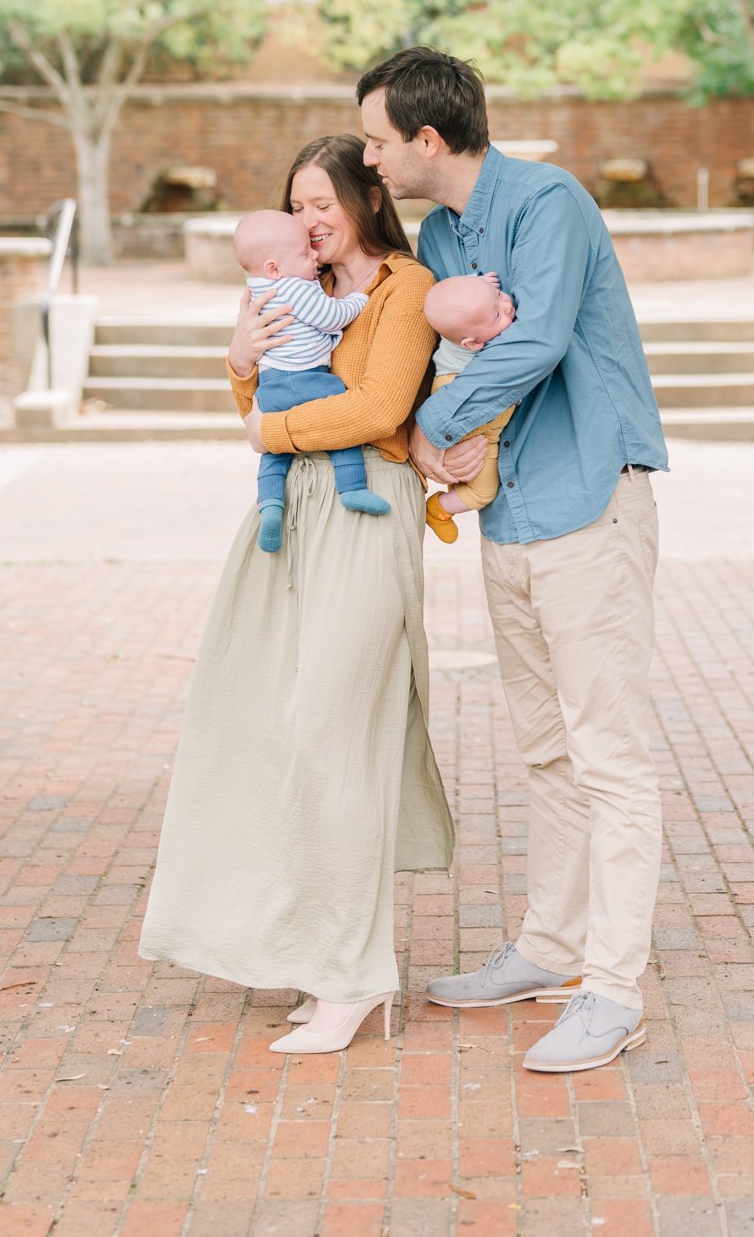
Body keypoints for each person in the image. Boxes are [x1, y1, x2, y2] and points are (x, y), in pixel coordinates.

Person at [359, 47, 668, 1075]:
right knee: (544, 745)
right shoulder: (444, 230)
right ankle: (549, 945)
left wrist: (425, 428)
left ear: (428, 139)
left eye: (377, 139)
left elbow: (526, 345)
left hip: (591, 496)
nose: (372, 156)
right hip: (513, 511)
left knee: (609, 752)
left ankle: (612, 986)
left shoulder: (550, 202)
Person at [138, 134, 453, 1057]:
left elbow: (377, 409)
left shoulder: (404, 288)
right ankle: (317, 957)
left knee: (332, 732)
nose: (311, 221)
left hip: (363, 508)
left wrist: (265, 424)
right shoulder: (286, 289)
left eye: (324, 203)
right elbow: (257, 381)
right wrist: (239, 360)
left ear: (365, 199)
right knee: (265, 723)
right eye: (298, 204)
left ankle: (355, 977)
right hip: (290, 508)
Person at [232, 205, 389, 553]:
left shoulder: (256, 289)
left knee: (273, 454)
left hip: (270, 386)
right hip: (307, 379)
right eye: (305, 253)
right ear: (275, 267)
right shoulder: (297, 287)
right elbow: (330, 317)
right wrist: (359, 300)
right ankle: (352, 489)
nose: (314, 258)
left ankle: (270, 504)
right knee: (341, 426)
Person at [421, 271, 517, 544]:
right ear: (472, 344)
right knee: (482, 492)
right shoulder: (486, 345)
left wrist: (483, 285)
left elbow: (468, 295)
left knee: (468, 463)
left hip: (448, 389)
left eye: (498, 297)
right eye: (498, 316)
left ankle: (456, 486)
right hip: (461, 396)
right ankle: (438, 508)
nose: (508, 306)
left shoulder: (471, 317)